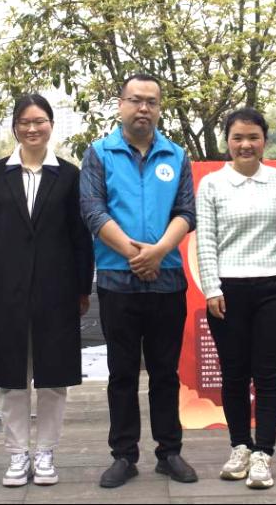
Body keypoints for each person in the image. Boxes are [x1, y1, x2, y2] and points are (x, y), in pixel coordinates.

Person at [0, 94, 95, 487]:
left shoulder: (69, 176)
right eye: (24, 122)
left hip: (57, 291)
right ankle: (17, 453)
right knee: (12, 377)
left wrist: (82, 287)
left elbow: (80, 238)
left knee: (53, 377)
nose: (32, 128)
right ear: (15, 127)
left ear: (51, 125)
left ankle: (45, 453)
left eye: (39, 121)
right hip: (7, 290)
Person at [79, 73, 199, 488]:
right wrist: (136, 255)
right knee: (122, 373)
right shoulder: (99, 153)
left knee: (166, 372)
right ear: (120, 105)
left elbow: (186, 212)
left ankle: (170, 452)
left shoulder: (176, 155)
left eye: (151, 101)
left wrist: (159, 252)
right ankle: (123, 455)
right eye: (135, 100)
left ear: (159, 108)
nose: (143, 108)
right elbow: (93, 211)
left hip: (167, 280)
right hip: (118, 281)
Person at [195, 108, 276, 490]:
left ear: (264, 140)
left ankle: (263, 453)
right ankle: (240, 447)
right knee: (234, 374)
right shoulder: (212, 184)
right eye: (238, 137)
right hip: (227, 291)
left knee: (268, 375)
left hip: (272, 288)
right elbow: (206, 240)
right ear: (227, 141)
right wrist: (212, 288)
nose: (245, 144)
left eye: (253, 137)